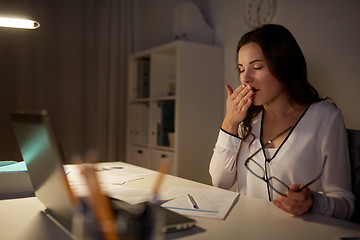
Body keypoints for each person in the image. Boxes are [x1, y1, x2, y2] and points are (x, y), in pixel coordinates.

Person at [209, 24, 354, 220]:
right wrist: (230, 122)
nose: (245, 78)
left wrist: (313, 202)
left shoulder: (326, 117)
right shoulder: (248, 118)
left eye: (257, 67)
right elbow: (220, 182)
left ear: (284, 65)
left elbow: (345, 204)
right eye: (241, 69)